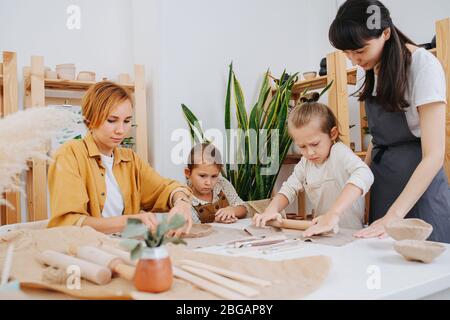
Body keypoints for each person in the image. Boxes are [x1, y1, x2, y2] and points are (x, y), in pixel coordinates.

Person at [329, 0, 450, 242]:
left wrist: (394, 215)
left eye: (359, 51)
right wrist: (359, 186)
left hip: (418, 184)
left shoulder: (422, 65)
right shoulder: (372, 67)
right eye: (347, 53)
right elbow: (379, 137)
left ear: (385, 33)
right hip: (383, 181)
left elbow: (434, 155)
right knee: (383, 269)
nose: (354, 61)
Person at [47, 81, 193, 236]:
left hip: (125, 248)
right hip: (87, 252)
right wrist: (127, 222)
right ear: (89, 119)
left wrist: (181, 203)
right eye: (111, 120)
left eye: (127, 121)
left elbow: (166, 188)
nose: (121, 130)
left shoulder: (130, 160)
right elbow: (69, 222)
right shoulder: (69, 155)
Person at [253, 93, 374, 236]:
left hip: (350, 234)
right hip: (322, 233)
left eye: (315, 144)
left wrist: (333, 214)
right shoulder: (305, 163)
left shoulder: (339, 152)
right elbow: (289, 189)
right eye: (302, 147)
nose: (310, 152)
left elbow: (365, 173)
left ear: (333, 134)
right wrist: (271, 210)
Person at [184, 143, 247, 224]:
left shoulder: (221, 183)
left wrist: (232, 210)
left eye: (214, 176)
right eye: (202, 176)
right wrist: (217, 221)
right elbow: (194, 229)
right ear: (188, 173)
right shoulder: (184, 197)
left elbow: (244, 209)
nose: (209, 183)